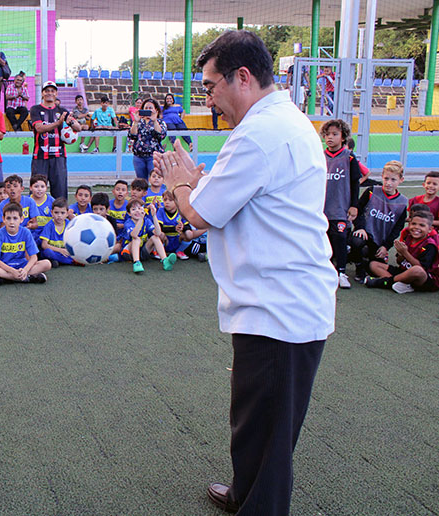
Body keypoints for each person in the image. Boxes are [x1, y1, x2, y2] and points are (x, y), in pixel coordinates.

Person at [156, 30, 336, 516]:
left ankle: (257, 502)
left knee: (269, 433)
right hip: (278, 304)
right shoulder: (280, 121)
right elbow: (230, 196)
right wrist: (195, 182)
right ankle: (243, 493)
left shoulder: (260, 132)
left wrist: (180, 185)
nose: (209, 99)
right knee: (256, 420)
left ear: (242, 76)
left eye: (211, 86)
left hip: (279, 309)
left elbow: (201, 214)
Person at [348, 160, 408, 283]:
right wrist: (360, 227)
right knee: (356, 241)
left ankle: (360, 260)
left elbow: (397, 228)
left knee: (374, 265)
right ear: (382, 176)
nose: (388, 183)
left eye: (393, 180)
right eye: (386, 178)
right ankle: (359, 267)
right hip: (365, 234)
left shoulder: (402, 202)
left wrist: (386, 247)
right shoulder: (371, 191)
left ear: (401, 180)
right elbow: (357, 210)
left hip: (380, 242)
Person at [321, 118, 361, 289]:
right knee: (323, 240)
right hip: (322, 208)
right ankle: (324, 273)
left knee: (340, 238)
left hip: (340, 208)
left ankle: (342, 272)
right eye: (327, 134)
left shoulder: (349, 158)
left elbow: (355, 183)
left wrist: (354, 205)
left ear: (343, 137)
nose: (330, 137)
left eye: (335, 134)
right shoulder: (319, 156)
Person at [29, 81, 82, 200]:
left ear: (56, 93)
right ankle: (35, 216)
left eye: (52, 91)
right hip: (40, 156)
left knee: (60, 191)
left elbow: (78, 128)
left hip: (59, 156)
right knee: (37, 189)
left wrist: (71, 122)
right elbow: (39, 128)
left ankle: (60, 217)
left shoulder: (62, 111)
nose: (49, 93)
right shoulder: (35, 109)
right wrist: (58, 123)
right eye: (47, 91)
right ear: (42, 93)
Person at [365, 210, 439, 293]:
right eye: (413, 224)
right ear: (409, 224)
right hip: (404, 272)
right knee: (374, 264)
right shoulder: (408, 237)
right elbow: (400, 262)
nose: (416, 227)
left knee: (417, 270)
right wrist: (400, 254)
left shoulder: (429, 245)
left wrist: (405, 253)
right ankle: (401, 283)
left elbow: (422, 268)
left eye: (422, 225)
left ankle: (385, 282)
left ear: (430, 229)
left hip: (423, 278)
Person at [0, 202, 50, 285]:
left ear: (21, 219)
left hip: (22, 265)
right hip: (6, 266)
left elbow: (34, 257)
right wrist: (12, 271)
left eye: (15, 218)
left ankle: (8, 279)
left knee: (47, 264)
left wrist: (25, 270)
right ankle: (27, 278)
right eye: (8, 218)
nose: (11, 222)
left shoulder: (26, 232)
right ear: (3, 219)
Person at [128, 98, 165, 179]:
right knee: (141, 182)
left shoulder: (160, 122)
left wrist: (155, 121)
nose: (148, 110)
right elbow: (132, 135)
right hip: (139, 156)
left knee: (156, 179)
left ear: (156, 110)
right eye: (146, 108)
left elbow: (160, 135)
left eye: (150, 108)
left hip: (153, 156)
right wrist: (135, 122)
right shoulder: (139, 122)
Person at [39, 198, 74, 267]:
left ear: (67, 213)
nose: (59, 215)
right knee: (47, 252)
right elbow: (44, 245)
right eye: (56, 212)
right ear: (52, 213)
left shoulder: (69, 225)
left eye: (62, 213)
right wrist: (60, 250)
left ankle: (56, 261)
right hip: (54, 251)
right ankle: (71, 262)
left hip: (65, 252)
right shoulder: (49, 225)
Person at [156, 190, 190, 259]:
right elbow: (159, 227)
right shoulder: (161, 211)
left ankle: (179, 251)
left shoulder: (181, 211)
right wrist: (174, 228)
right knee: (160, 234)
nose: (167, 202)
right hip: (166, 240)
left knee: (188, 233)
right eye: (165, 200)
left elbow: (188, 227)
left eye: (170, 200)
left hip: (177, 239)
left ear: (177, 202)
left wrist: (182, 227)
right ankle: (160, 251)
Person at [29, 174, 53, 242]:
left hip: (47, 237)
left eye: (42, 186)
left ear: (46, 187)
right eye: (36, 186)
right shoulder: (26, 201)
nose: (39, 189)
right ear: (30, 188)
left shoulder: (52, 201)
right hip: (31, 236)